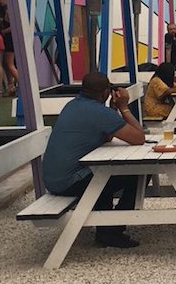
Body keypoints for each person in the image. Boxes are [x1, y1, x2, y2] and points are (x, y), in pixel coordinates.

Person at [42, 72, 146, 248]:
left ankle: (107, 227)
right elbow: (138, 138)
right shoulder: (99, 112)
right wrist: (124, 108)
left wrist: (112, 110)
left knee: (103, 173)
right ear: (106, 92)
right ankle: (111, 230)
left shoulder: (72, 105)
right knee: (138, 172)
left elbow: (105, 137)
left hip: (54, 180)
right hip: (69, 181)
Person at [0, 0, 18, 95]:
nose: (0, 1)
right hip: (9, 40)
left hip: (9, 40)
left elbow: (14, 26)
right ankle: (11, 87)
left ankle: (22, 83)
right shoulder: (10, 11)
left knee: (9, 64)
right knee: (7, 64)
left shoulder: (9, 12)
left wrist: (4, 31)